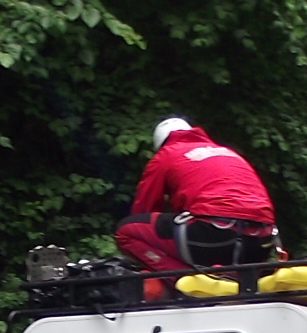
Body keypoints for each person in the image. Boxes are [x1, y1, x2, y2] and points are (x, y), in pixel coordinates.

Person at [114, 117, 279, 273]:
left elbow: (144, 210)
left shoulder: (166, 154)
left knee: (126, 231)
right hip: (261, 240)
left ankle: (183, 280)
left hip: (213, 235)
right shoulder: (228, 152)